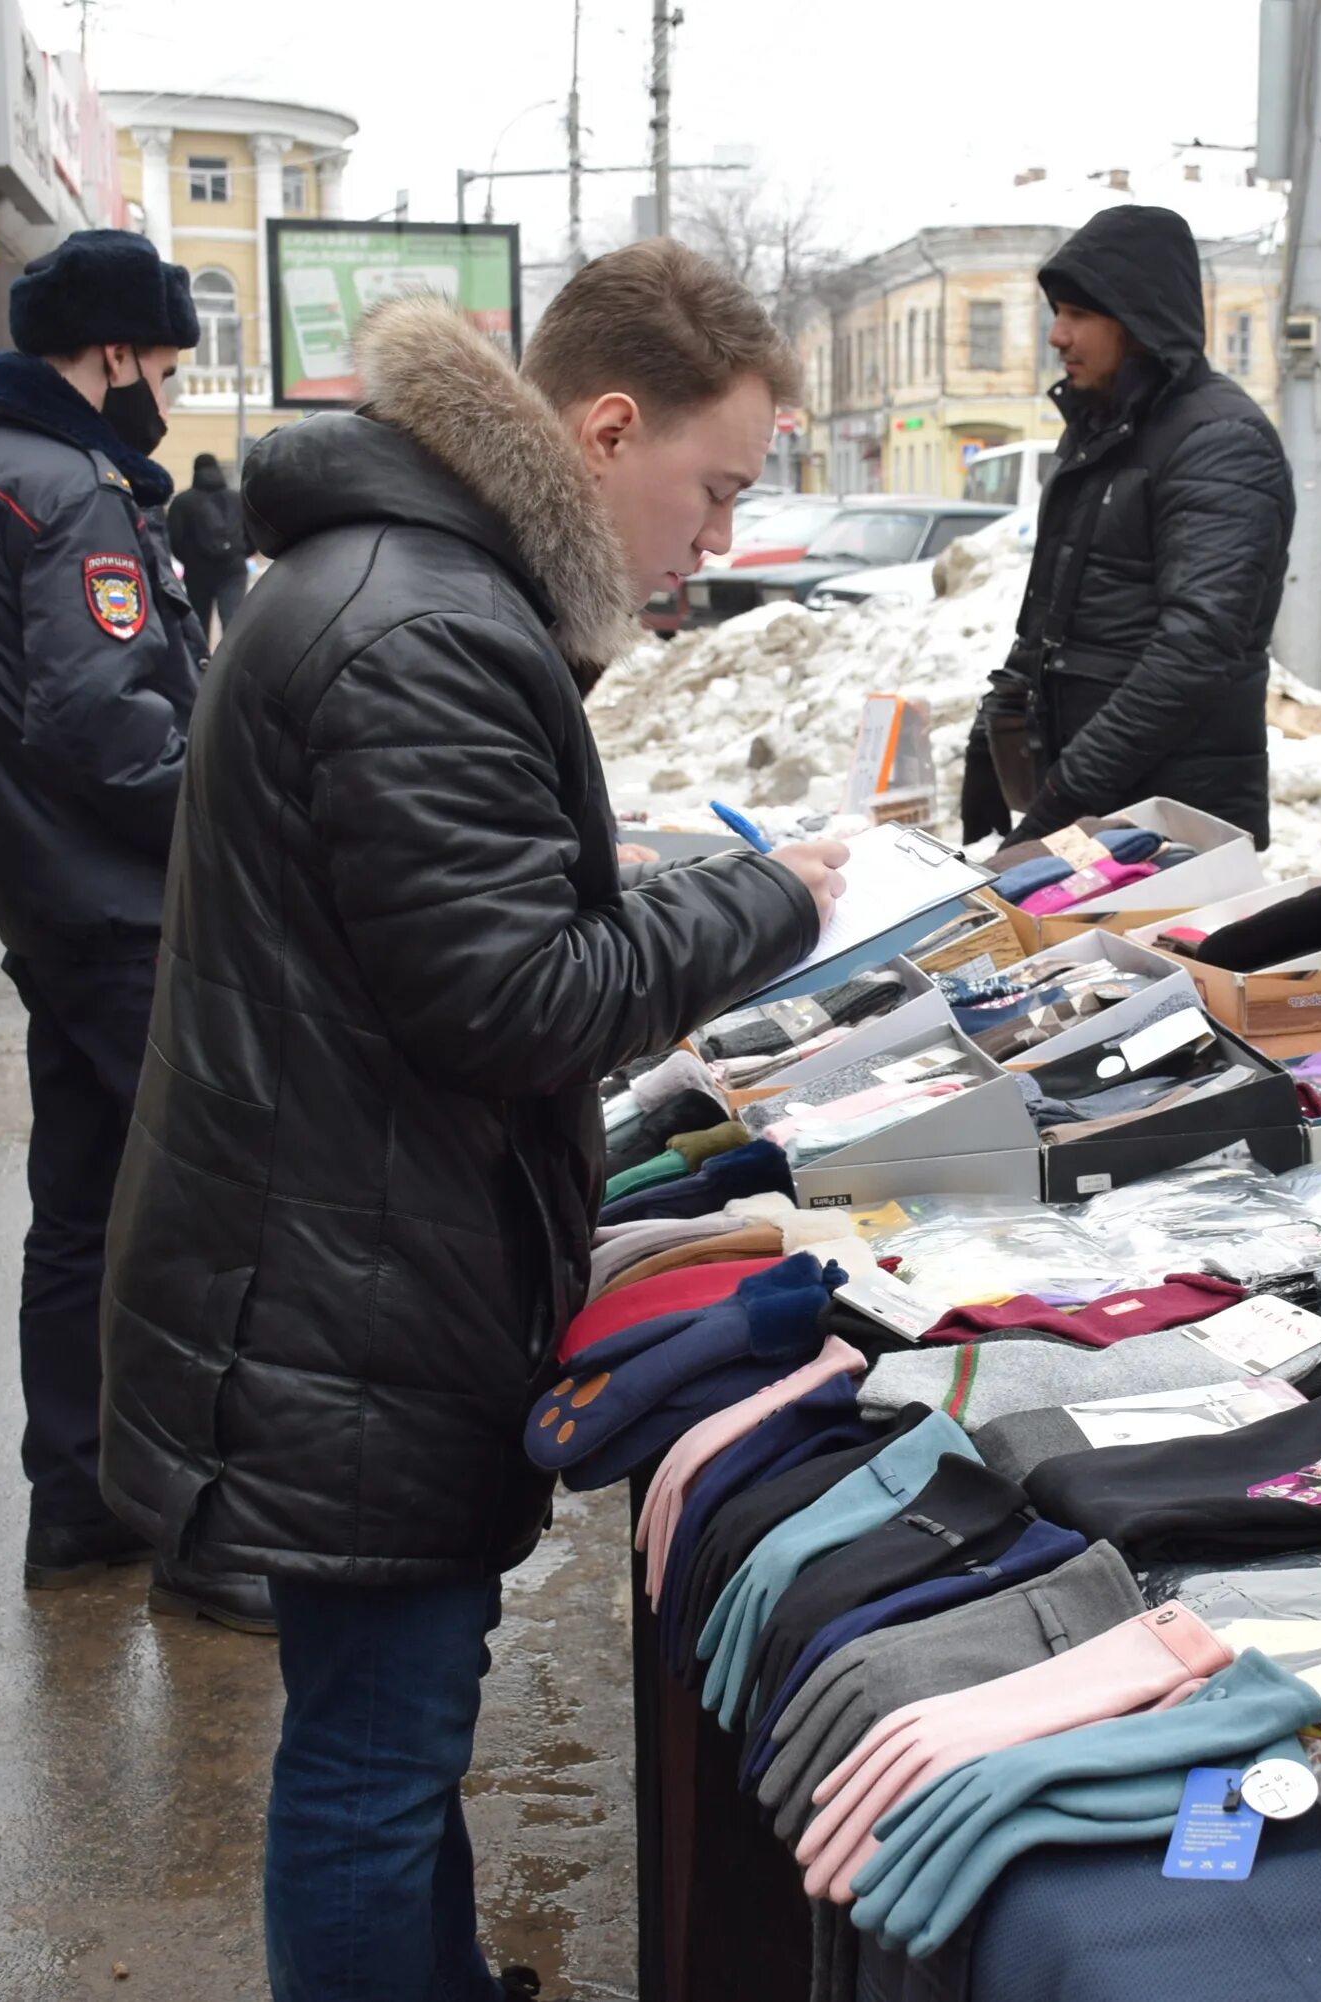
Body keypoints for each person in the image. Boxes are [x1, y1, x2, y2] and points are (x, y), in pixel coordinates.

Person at [97, 241, 844, 2000]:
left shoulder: (412, 582)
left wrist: (608, 866)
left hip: (344, 1252)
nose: (719, 536)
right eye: (715, 486)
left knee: (395, 1725)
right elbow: (516, 1001)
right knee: (376, 1751)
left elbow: (436, 923)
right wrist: (769, 901)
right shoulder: (425, 623)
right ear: (607, 429)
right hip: (346, 1286)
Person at [0, 228, 257, 1630]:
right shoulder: (71, 493)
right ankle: (204, 1527)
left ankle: (81, 1498)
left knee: (84, 1210)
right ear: (112, 353)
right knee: (210, 1213)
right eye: (164, 361)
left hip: (40, 898)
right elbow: (110, 726)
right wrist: (239, 820)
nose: (169, 388)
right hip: (124, 909)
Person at [961, 204, 1293, 849]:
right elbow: (1053, 617)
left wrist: (1062, 805)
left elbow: (1192, 654)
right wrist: (993, 733)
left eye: (1079, 315)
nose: (1057, 336)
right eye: (1057, 312)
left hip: (1173, 826)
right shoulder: (1105, 429)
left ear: (1140, 320)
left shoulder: (1219, 441)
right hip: (1103, 812)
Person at [165, 450, 249, 647]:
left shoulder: (183, 502)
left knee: (199, 623)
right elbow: (252, 532)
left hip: (198, 571)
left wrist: (188, 558)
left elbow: (173, 538)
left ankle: (201, 662)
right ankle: (231, 661)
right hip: (234, 568)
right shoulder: (237, 499)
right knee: (232, 621)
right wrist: (241, 552)